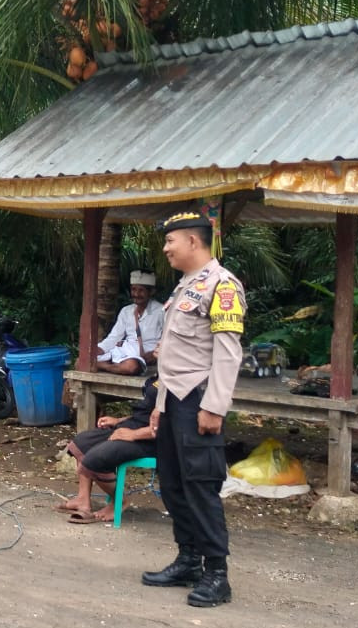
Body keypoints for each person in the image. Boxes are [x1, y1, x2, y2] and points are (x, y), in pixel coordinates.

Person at [143, 210, 245, 607]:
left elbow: (227, 353)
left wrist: (215, 407)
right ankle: (188, 560)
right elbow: (175, 356)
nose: (166, 248)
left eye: (171, 241)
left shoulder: (222, 286)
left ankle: (217, 574)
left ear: (192, 241)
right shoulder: (185, 286)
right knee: (172, 483)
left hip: (199, 402)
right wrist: (159, 406)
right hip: (173, 403)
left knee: (201, 487)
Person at [56, 372, 159, 522]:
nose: (157, 347)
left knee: (96, 458)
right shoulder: (157, 377)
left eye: (161, 346)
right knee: (82, 442)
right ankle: (83, 500)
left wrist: (132, 434)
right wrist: (118, 420)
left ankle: (119, 501)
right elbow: (143, 415)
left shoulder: (179, 384)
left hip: (150, 441)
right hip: (135, 427)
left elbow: (170, 428)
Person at [97, 270, 164, 374]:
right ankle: (110, 366)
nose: (136, 294)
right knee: (81, 362)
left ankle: (104, 366)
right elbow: (114, 337)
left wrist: (156, 354)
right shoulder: (126, 311)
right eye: (133, 289)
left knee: (130, 367)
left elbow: (169, 339)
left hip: (143, 356)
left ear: (151, 292)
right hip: (124, 351)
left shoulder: (161, 311)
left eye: (141, 290)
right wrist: (99, 349)